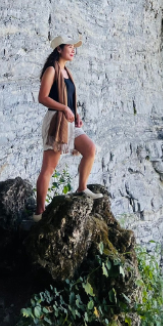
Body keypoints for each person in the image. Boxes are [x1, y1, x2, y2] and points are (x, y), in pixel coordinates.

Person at [33, 35, 102, 221]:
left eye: (74, 47)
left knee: (90, 149)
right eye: (70, 47)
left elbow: (70, 100)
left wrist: (76, 114)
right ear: (59, 49)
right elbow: (43, 98)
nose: (73, 50)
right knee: (49, 168)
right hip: (56, 122)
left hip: (70, 122)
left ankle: (82, 188)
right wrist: (64, 108)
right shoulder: (51, 70)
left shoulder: (66, 72)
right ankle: (39, 212)